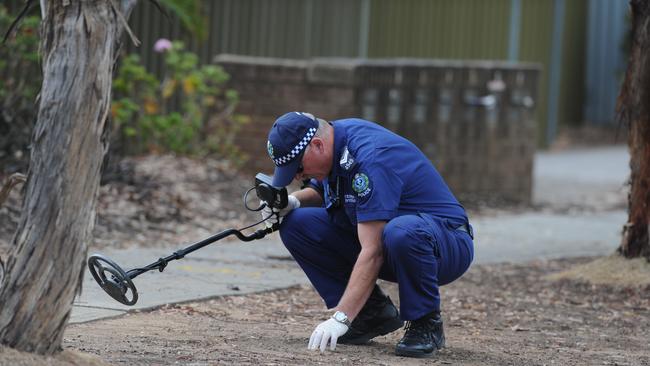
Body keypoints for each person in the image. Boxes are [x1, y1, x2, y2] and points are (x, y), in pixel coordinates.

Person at [262, 111, 474, 358]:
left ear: (317, 145)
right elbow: (324, 188)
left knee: (401, 231)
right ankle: (372, 314)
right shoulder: (336, 141)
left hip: (445, 244)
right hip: (396, 245)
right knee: (297, 224)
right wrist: (292, 202)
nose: (297, 176)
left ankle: (425, 323)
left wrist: (341, 317)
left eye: (297, 168)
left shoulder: (370, 157)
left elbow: (372, 251)